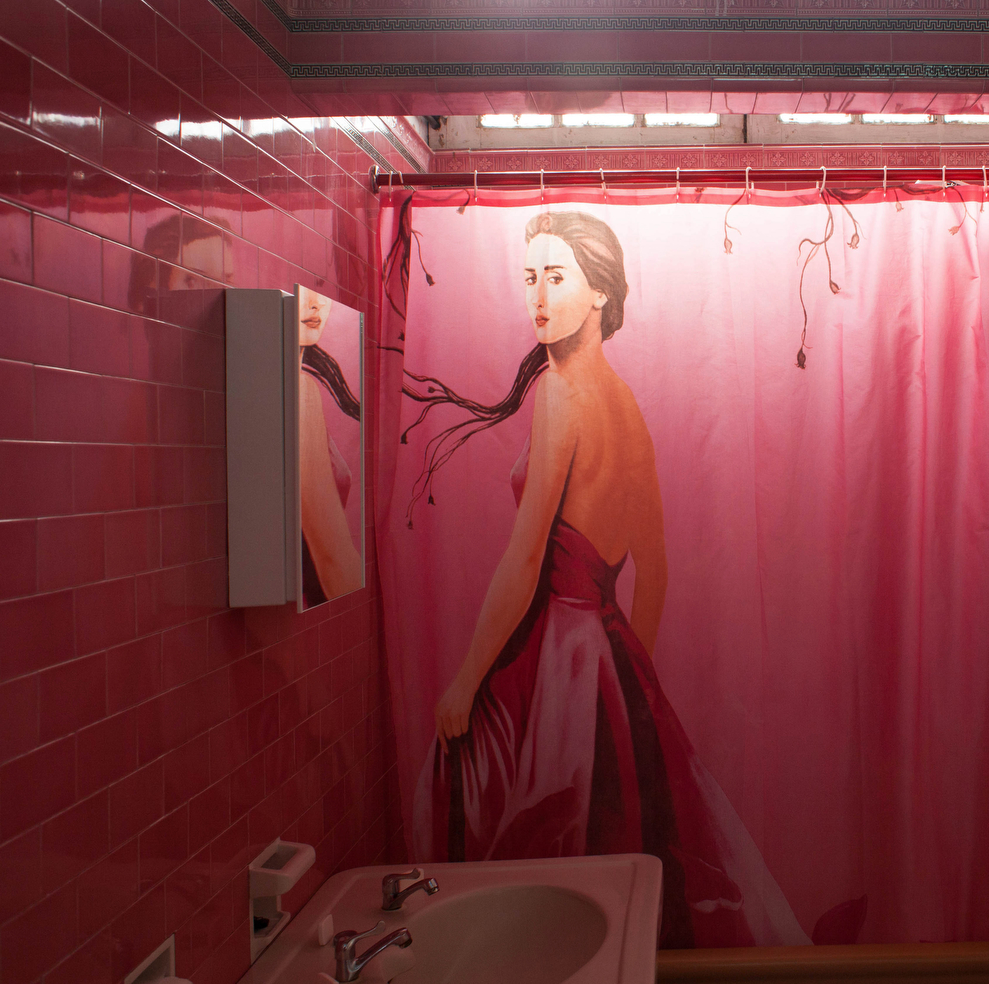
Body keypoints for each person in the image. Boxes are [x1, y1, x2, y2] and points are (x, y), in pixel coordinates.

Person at [410, 210, 810, 949]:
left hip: (558, 658)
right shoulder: (627, 404)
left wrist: (465, 678)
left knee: (542, 858)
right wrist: (632, 686)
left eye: (556, 277)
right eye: (529, 276)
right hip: (607, 655)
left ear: (599, 292)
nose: (537, 295)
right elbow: (653, 573)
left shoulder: (564, 393)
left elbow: (526, 557)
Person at [297, 288, 362, 606]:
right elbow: (330, 550)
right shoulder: (299, 390)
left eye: (320, 292)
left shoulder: (301, 385)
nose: (315, 302)